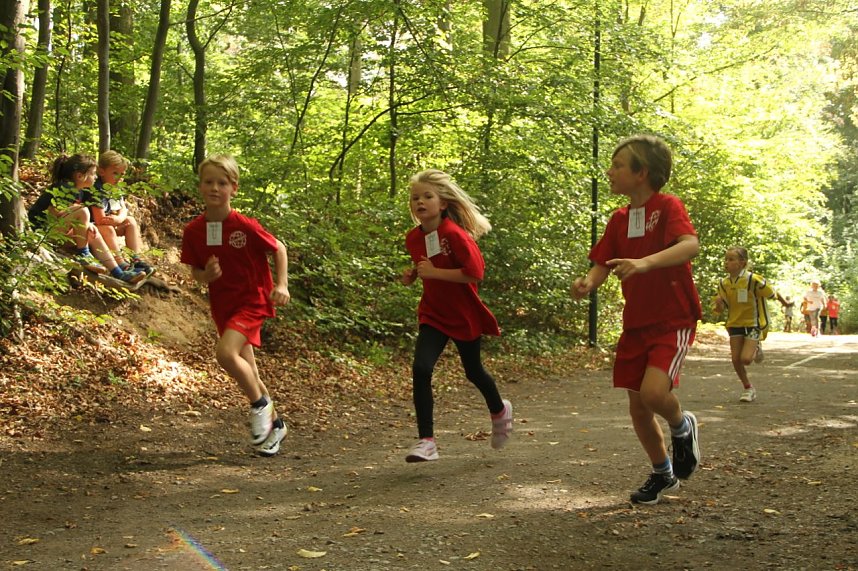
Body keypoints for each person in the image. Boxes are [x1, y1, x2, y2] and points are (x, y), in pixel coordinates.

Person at [571, 135, 700, 505]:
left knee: (654, 394)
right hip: (636, 324)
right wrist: (588, 283)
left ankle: (682, 424)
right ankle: (663, 474)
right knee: (639, 408)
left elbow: (689, 244)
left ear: (641, 173)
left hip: (672, 318)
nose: (609, 172)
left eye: (618, 165)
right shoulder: (620, 218)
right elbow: (602, 264)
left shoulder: (668, 206)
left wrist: (645, 263)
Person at [180, 154, 291, 457]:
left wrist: (281, 285)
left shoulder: (244, 225)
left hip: (252, 300)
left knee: (225, 354)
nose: (214, 188)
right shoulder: (194, 231)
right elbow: (195, 272)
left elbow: (278, 247)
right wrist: (207, 274)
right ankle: (275, 425)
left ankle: (259, 408)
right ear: (201, 186)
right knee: (249, 371)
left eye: (222, 183)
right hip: (223, 305)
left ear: (234, 188)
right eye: (208, 182)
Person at [400, 169, 512, 463]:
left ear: (444, 203)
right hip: (434, 314)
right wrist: (413, 275)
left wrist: (434, 272)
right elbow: (426, 264)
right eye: (415, 198)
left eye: (427, 196)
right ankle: (427, 441)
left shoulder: (455, 235)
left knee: (473, 371)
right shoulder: (414, 238)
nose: (420, 202)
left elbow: (475, 273)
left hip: (463, 314)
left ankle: (499, 410)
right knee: (421, 369)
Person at [27, 153, 146, 284]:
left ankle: (118, 272)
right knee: (83, 211)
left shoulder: (80, 191)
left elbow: (69, 218)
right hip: (43, 235)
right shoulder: (64, 188)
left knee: (92, 231)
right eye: (93, 174)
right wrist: (79, 215)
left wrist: (87, 225)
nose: (95, 177)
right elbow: (53, 214)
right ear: (80, 176)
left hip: (58, 233)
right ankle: (84, 255)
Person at [713, 247, 789, 403]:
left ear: (742, 263)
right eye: (726, 259)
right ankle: (748, 388)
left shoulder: (753, 280)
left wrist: (786, 303)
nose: (727, 262)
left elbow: (773, 293)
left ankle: (756, 346)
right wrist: (719, 304)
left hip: (753, 323)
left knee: (746, 359)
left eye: (731, 259)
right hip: (734, 324)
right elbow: (720, 310)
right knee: (736, 359)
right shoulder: (723, 283)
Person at [80, 150, 154, 275]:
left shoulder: (114, 188)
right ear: (101, 171)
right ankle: (121, 264)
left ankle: (135, 259)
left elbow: (123, 209)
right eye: (115, 173)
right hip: (91, 228)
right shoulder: (97, 189)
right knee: (108, 228)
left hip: (106, 225)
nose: (119, 178)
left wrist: (119, 218)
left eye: (122, 174)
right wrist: (117, 219)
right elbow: (100, 220)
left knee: (130, 221)